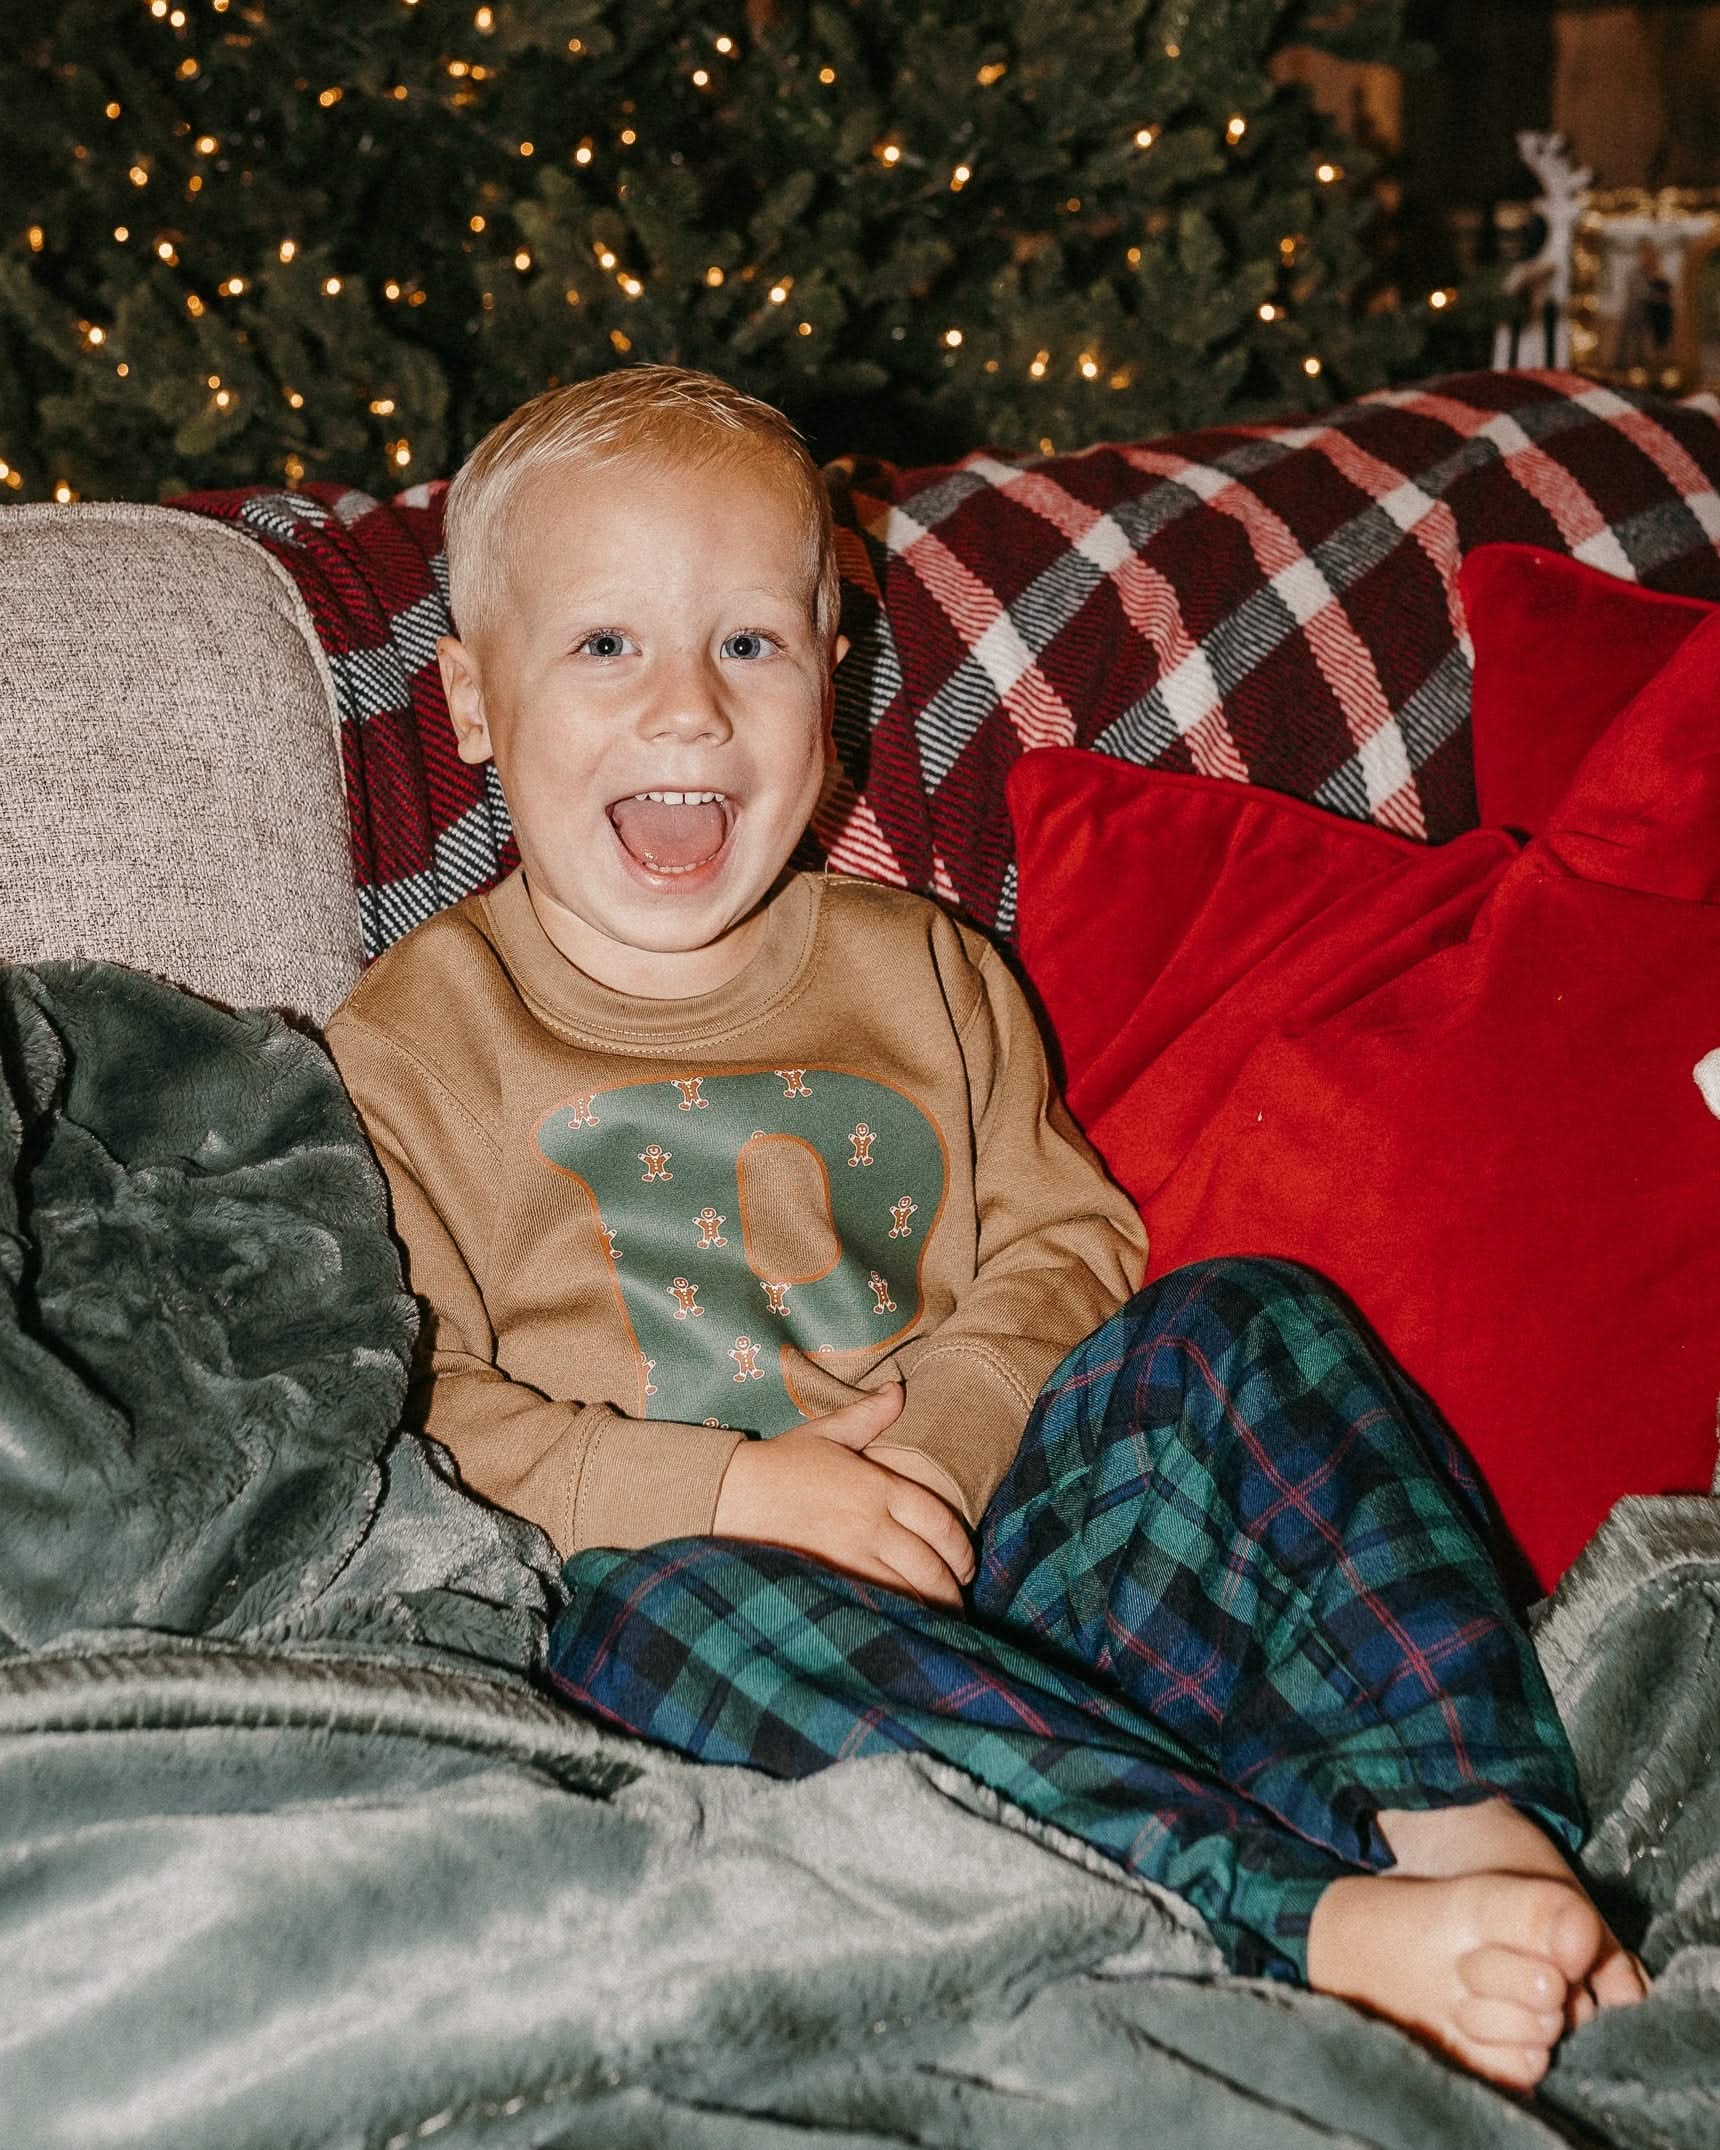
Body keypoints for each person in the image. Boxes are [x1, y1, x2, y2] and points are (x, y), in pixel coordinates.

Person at [325, 364, 1646, 2091]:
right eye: (605, 646)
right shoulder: (415, 1037)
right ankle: (1294, 1913)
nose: (687, 710)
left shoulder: (923, 969)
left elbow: (1071, 1249)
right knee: (653, 1615)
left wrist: (942, 1444)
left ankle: (1469, 1826)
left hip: (1014, 1561)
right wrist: (738, 1492)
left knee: (1241, 1317)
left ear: (834, 681)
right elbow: (416, 1407)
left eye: (749, 644)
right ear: (472, 702)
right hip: (732, 1671)